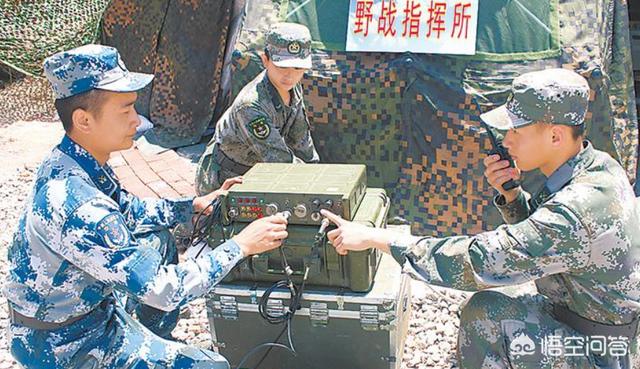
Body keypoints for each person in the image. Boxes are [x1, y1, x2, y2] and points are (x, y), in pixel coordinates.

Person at [321, 69, 640, 368]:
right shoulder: (597, 165)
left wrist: (378, 238)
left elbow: (480, 262)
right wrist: (513, 195)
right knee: (502, 296)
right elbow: (547, 244)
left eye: (517, 130)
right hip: (591, 320)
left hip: (601, 353)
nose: (507, 141)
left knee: (482, 316)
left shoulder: (576, 208)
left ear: (556, 136)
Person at [5, 44, 289, 369]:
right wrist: (241, 245)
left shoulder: (70, 159)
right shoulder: (82, 208)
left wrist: (191, 206)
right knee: (212, 366)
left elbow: (126, 207)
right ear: (84, 120)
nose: (137, 120)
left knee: (160, 240)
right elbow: (166, 289)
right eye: (125, 110)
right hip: (66, 344)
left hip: (74, 313)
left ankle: (152, 343)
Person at [195, 22, 320, 195]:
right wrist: (314, 185)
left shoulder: (290, 87)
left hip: (260, 171)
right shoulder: (251, 105)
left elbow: (301, 141)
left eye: (298, 68)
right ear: (265, 60)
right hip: (225, 181)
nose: (289, 75)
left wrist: (317, 173)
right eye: (282, 66)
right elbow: (279, 161)